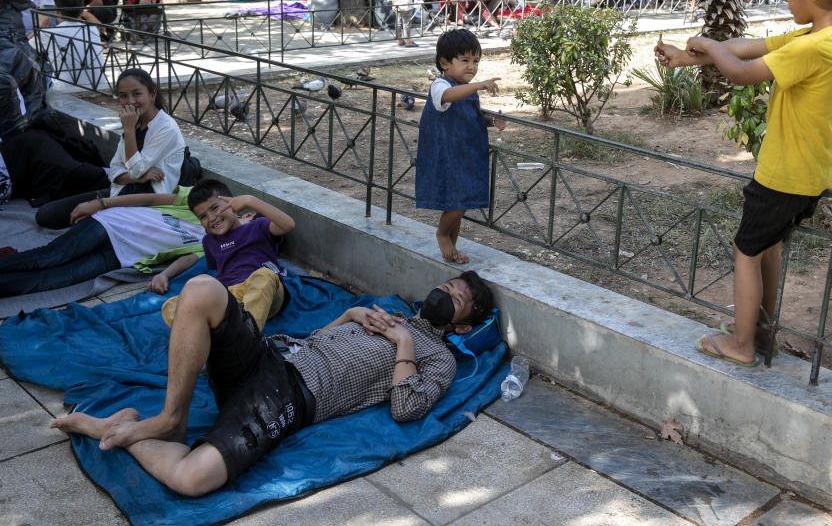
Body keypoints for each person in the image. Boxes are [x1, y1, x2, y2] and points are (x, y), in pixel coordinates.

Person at [50, 269, 494, 496]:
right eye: (447, 286)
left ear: (461, 325)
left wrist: (402, 343)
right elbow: (319, 342)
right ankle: (170, 420)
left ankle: (111, 429)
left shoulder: (438, 357)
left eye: (457, 300)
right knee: (203, 288)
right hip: (273, 354)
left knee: (192, 478)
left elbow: (406, 407)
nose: (445, 295)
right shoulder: (388, 312)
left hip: (289, 395)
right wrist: (351, 315)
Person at [654, 0, 832, 366]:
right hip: (807, 174)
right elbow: (744, 49)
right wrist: (686, 55)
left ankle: (742, 345)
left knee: (746, 250)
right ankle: (761, 330)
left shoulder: (815, 47)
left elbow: (743, 72)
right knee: (767, 247)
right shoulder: (820, 39)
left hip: (785, 174)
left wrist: (710, 45)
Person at [35, 68, 190, 229]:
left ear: (152, 94)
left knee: (83, 227)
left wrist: (129, 131)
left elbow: (136, 169)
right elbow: (114, 170)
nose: (130, 101)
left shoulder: (166, 128)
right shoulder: (134, 122)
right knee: (46, 215)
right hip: (118, 192)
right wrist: (138, 177)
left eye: (137, 94)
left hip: (145, 202)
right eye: (123, 96)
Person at [0, 187, 203, 297]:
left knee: (54, 279)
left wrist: (164, 275)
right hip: (110, 225)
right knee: (49, 256)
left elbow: (187, 260)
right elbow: (148, 198)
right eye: (212, 210)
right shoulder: (195, 200)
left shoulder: (212, 243)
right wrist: (100, 203)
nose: (214, 217)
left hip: (119, 256)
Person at [415, 29, 505, 264]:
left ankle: (452, 248)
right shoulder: (441, 85)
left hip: (467, 155)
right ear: (444, 63)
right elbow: (448, 96)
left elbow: (471, 115)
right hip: (447, 157)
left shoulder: (466, 89)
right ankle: (442, 234)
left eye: (475, 61)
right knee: (456, 204)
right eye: (464, 60)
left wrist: (493, 121)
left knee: (461, 205)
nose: (472, 67)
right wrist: (478, 85)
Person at [159, 179, 295, 331]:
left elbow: (288, 224)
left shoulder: (258, 226)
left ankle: (248, 337)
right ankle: (215, 333)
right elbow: (220, 272)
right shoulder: (209, 241)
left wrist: (250, 200)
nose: (211, 218)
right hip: (229, 298)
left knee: (265, 275)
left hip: (265, 293)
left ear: (234, 205)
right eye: (203, 216)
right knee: (171, 305)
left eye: (215, 208)